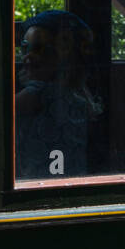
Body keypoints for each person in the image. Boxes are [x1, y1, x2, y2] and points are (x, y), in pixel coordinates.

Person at [15, 10, 102, 180]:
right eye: (25, 47)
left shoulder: (38, 93)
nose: (27, 57)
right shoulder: (80, 95)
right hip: (71, 178)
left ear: (65, 56)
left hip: (39, 181)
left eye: (39, 49)